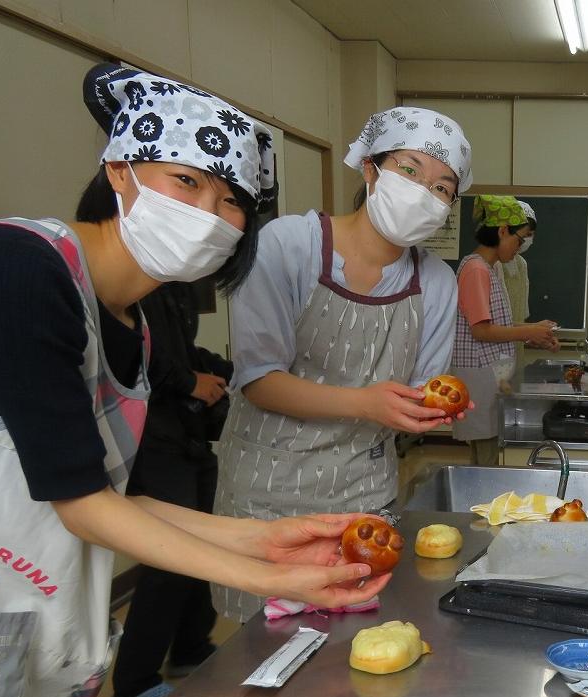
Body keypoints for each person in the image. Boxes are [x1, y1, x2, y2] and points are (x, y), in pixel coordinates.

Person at [0, 64, 386, 697]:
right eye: (186, 182)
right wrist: (271, 578)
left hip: (34, 605)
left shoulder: (137, 323)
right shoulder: (16, 267)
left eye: (232, 201)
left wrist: (266, 537)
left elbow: (107, 496)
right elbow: (79, 504)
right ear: (120, 169)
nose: (209, 215)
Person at [212, 106, 475, 621]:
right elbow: (259, 380)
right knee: (261, 644)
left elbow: (421, 388)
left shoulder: (437, 282)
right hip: (269, 487)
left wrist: (424, 410)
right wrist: (365, 404)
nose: (424, 192)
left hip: (363, 491)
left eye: (443, 188)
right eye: (410, 170)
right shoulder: (288, 246)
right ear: (370, 168)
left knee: (355, 634)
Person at [111, 282, 233, 697]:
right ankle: (133, 683)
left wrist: (234, 371)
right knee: (168, 558)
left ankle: (190, 648)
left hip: (187, 432)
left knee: (206, 545)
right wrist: (189, 381)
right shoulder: (131, 286)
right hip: (153, 438)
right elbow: (134, 358)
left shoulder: (174, 286)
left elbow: (182, 351)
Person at [451, 194, 560, 466]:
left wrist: (535, 329)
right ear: (502, 231)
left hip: (489, 374)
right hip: (479, 378)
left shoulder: (488, 268)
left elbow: (497, 324)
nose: (519, 247)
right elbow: (481, 331)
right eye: (519, 240)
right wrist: (528, 332)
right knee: (485, 460)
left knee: (486, 455)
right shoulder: (476, 270)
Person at [498, 199, 537, 326]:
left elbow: (522, 312)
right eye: (522, 236)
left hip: (515, 336)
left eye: (530, 235)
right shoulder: (492, 265)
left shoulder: (521, 264)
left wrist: (527, 332)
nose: (524, 241)